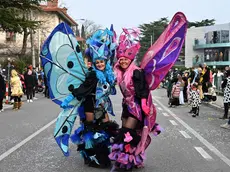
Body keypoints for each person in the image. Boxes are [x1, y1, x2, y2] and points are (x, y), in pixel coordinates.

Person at [61, 30, 118, 168]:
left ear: (105, 62)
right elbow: (83, 89)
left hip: (102, 106)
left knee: (105, 129)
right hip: (90, 105)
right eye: (97, 62)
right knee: (90, 131)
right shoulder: (92, 75)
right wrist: (69, 99)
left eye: (101, 62)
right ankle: (92, 157)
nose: (99, 64)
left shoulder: (109, 74)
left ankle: (104, 153)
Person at [109, 28, 161, 171]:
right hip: (127, 106)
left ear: (130, 59)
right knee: (124, 133)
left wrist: (144, 103)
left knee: (128, 132)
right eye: (121, 59)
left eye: (126, 59)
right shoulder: (120, 73)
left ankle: (126, 163)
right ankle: (127, 160)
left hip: (136, 108)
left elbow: (143, 89)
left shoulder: (136, 71)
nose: (124, 61)